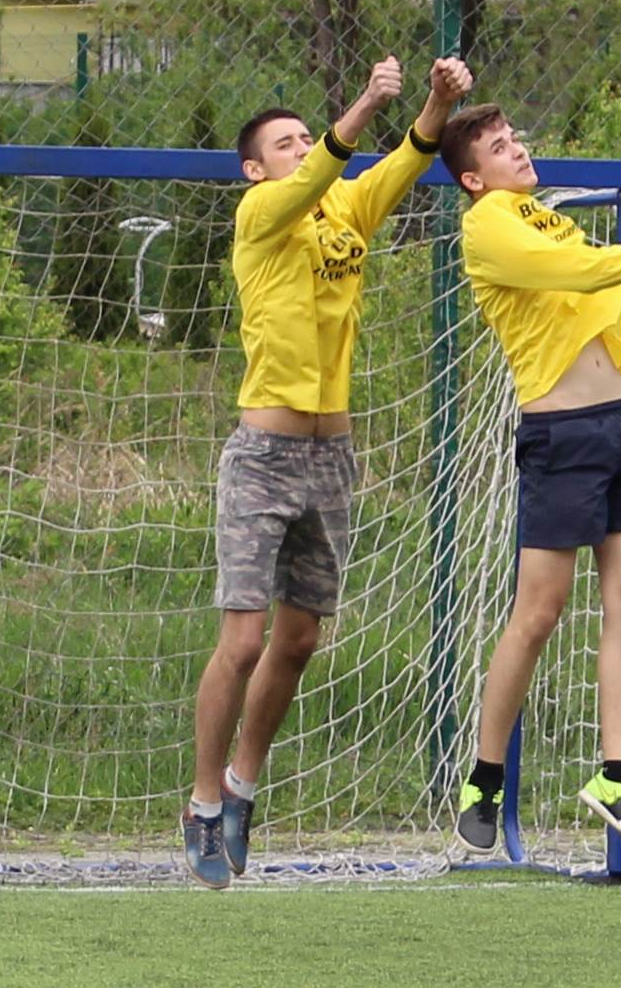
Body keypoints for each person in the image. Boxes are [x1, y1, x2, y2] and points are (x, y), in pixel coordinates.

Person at [185, 55, 456, 884]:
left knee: (300, 639)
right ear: (253, 168)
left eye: (307, 136)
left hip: (331, 455)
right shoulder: (260, 213)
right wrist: (367, 101)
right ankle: (201, 803)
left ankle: (243, 785)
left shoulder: (344, 207)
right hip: (262, 458)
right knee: (243, 642)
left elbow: (408, 157)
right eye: (285, 142)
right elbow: (321, 172)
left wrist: (438, 101)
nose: (302, 148)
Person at [438, 107, 621, 865]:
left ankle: (616, 777)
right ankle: (484, 780)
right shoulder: (487, 226)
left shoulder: (549, 218)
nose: (517, 151)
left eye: (515, 139)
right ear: (473, 179)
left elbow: (596, 291)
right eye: (498, 148)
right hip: (561, 435)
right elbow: (584, 274)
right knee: (539, 612)